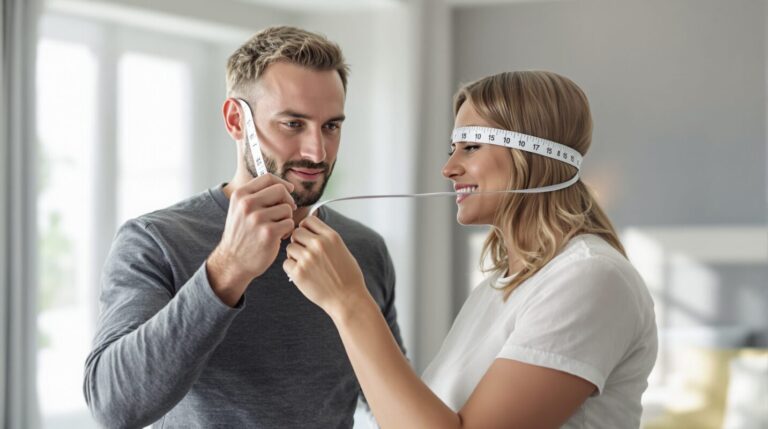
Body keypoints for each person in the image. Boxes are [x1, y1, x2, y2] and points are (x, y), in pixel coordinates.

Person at [284, 70, 658, 428]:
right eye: (453, 148)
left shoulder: (590, 278)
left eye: (471, 147)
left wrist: (349, 302)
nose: (448, 168)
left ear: (532, 155)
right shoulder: (499, 288)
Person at [83, 26, 405, 428]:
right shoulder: (156, 241)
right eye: (293, 124)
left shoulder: (362, 249)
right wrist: (227, 270)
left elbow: (396, 408)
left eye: (331, 126)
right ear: (237, 121)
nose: (317, 151)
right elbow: (113, 406)